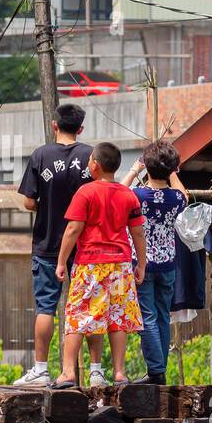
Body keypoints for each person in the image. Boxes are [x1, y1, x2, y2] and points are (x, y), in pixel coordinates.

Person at [15, 103, 102, 386]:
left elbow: (29, 200)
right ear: (80, 129)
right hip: (86, 247)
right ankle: (96, 371)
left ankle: (41, 369)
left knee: (45, 308)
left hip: (47, 244)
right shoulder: (91, 156)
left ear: (55, 125)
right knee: (90, 308)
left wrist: (48, 205)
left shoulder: (40, 155)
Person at [54, 142, 146, 385]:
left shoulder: (85, 192)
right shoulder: (128, 195)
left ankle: (68, 372)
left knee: (77, 315)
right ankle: (119, 372)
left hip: (90, 264)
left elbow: (73, 229)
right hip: (121, 266)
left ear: (95, 165)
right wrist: (142, 264)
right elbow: (138, 233)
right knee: (117, 319)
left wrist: (61, 261)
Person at [120, 141, 189, 384]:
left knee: (146, 316)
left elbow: (118, 191)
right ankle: (159, 370)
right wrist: (173, 172)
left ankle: (156, 371)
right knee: (162, 316)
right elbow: (184, 194)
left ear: (147, 167)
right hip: (168, 263)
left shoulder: (137, 196)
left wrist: (134, 169)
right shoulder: (176, 199)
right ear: (171, 169)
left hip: (141, 264)